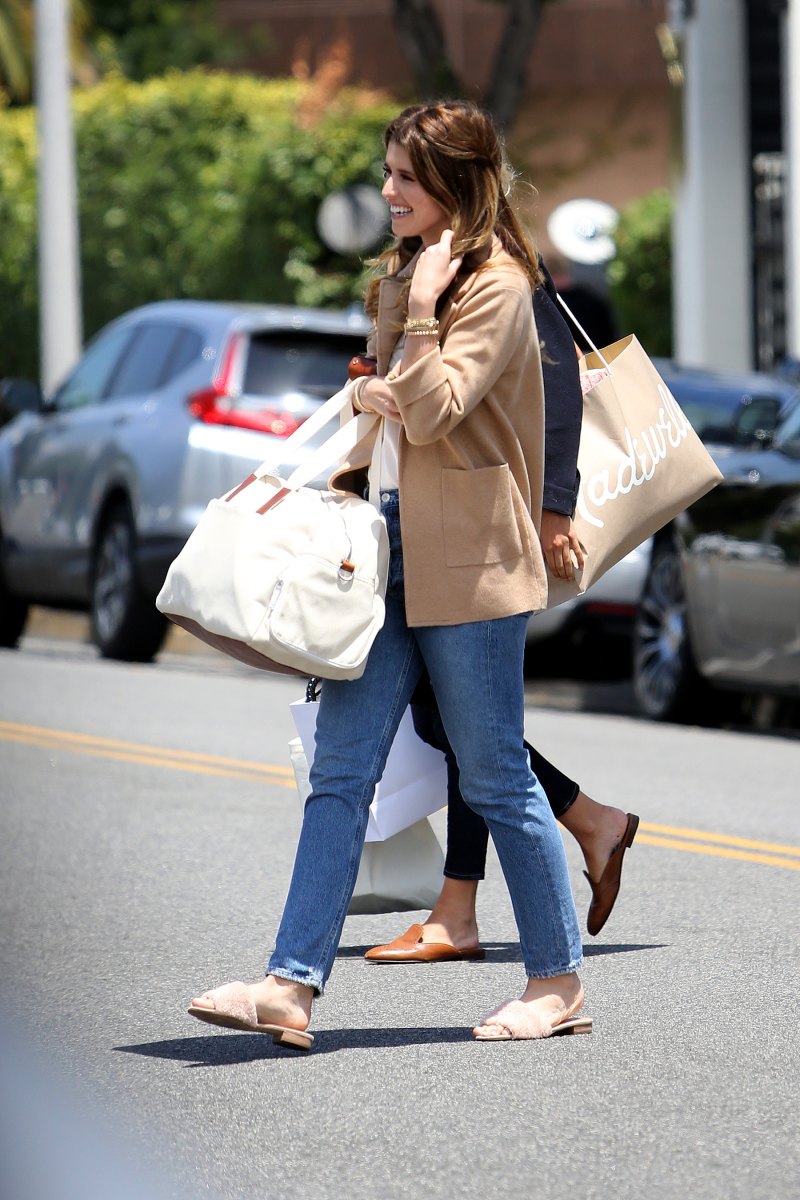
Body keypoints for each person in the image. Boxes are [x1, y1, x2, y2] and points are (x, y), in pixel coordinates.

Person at [189, 99, 592, 1048]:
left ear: (456, 181)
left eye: (406, 177)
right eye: (390, 173)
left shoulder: (497, 285)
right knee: (340, 773)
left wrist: (411, 329)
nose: (388, 191)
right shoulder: (410, 273)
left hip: (473, 561)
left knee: (494, 777)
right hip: (385, 551)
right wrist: (388, 359)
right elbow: (389, 410)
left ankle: (557, 981)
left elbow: (437, 407)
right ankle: (290, 986)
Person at [365, 260, 638, 965]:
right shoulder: (424, 264)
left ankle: (480, 908)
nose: (394, 204)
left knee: (463, 724)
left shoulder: (501, 264)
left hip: (486, 524)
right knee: (455, 722)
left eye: (407, 194)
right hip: (428, 520)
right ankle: (575, 830)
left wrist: (556, 507)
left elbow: (559, 384)